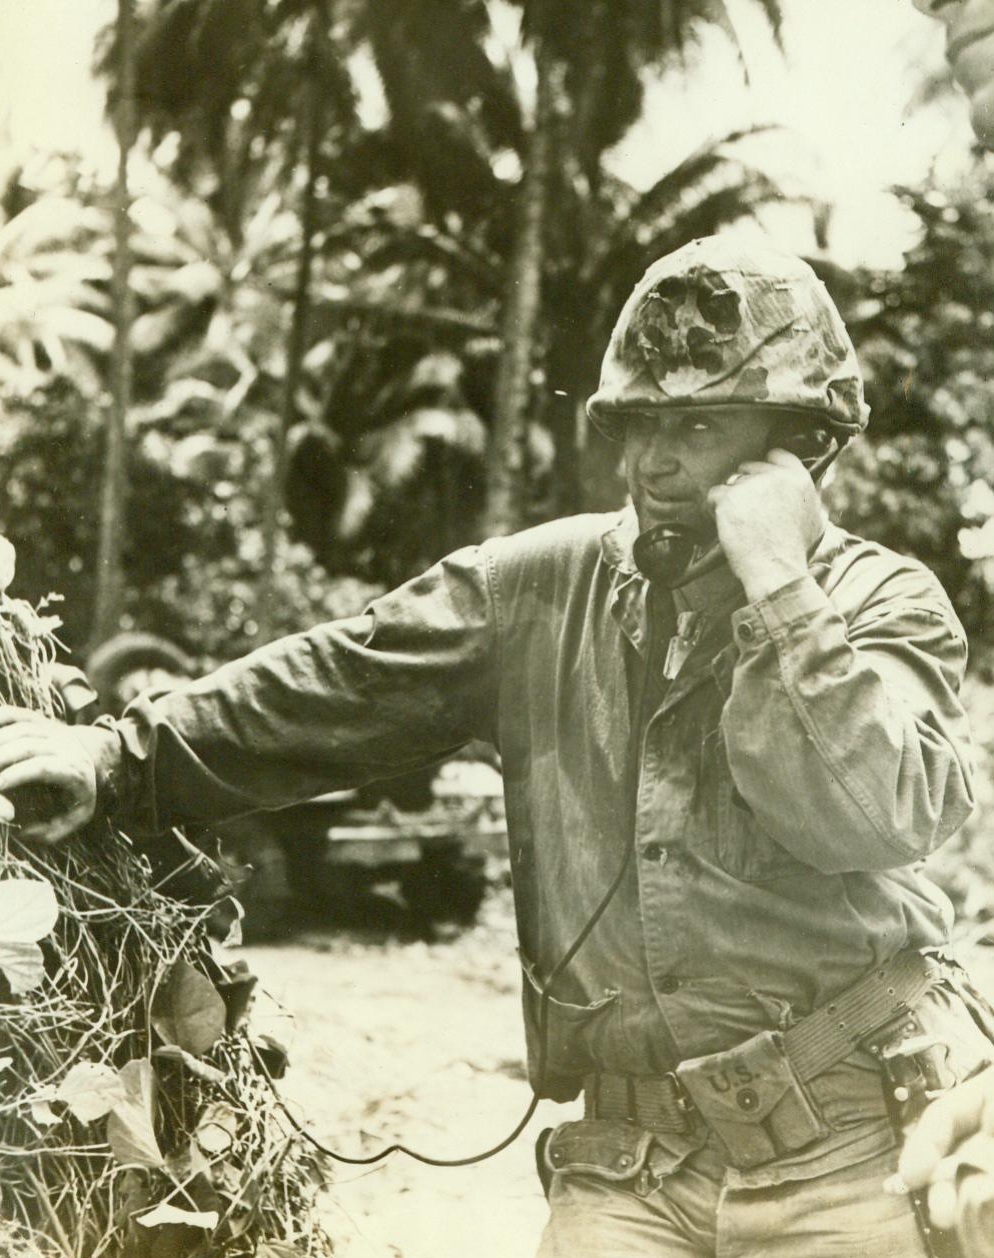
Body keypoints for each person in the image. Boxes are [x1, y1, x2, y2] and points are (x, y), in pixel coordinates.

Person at [2, 234, 993, 1256]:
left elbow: (871, 815)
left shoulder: (878, 603)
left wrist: (779, 592)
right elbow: (343, 681)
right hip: (629, 1162)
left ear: (801, 444)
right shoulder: (545, 586)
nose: (652, 462)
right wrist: (119, 758)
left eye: (696, 424)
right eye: (638, 423)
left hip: (849, 1150)